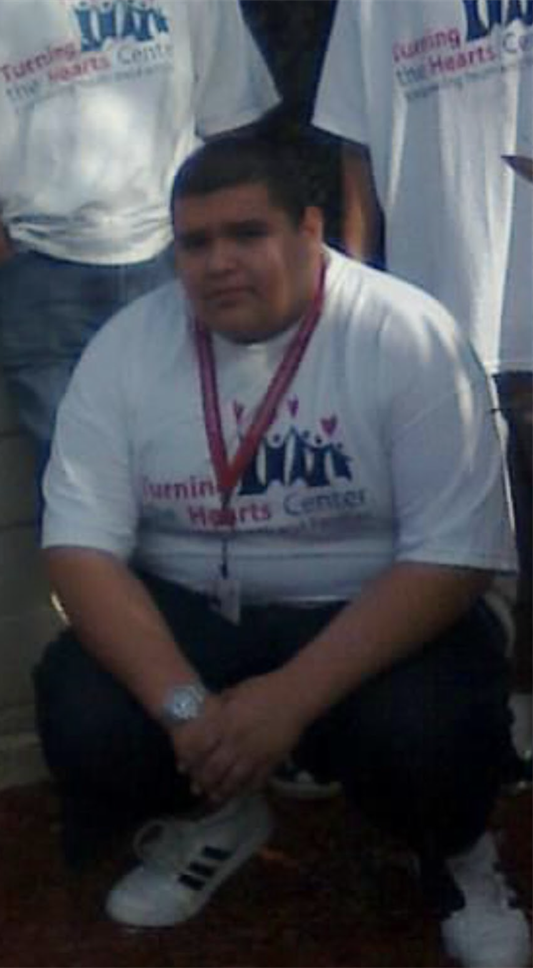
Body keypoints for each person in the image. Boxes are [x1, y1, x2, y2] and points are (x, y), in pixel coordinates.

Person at [35, 136, 530, 968]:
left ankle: (453, 851)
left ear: (310, 229)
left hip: (370, 611)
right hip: (200, 615)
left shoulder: (407, 335)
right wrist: (189, 710)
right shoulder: (125, 347)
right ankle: (217, 814)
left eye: (246, 234)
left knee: (430, 730)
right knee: (81, 705)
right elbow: (79, 549)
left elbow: (453, 558)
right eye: (195, 243)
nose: (218, 263)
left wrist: (288, 700)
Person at [312, 0, 533, 773]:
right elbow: (355, 150)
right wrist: (356, 289)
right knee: (469, 534)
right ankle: (492, 708)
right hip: (442, 303)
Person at [0, 0, 278, 466]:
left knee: (206, 470)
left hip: (179, 257)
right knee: (74, 489)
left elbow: (232, 121)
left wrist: (219, 246)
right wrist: (4, 256)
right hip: (40, 270)